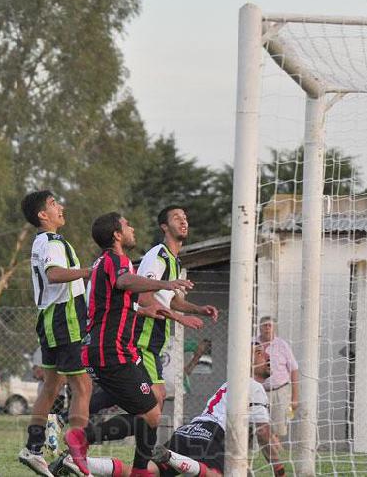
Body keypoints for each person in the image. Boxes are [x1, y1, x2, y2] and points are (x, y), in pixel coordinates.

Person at [67, 212, 194, 477]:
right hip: (110, 350)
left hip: (117, 350)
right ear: (116, 234)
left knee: (150, 409)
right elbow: (125, 282)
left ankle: (139, 470)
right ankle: (83, 438)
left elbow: (115, 301)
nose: (132, 228)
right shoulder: (117, 260)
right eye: (127, 225)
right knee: (150, 413)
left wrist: (146, 310)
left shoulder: (105, 262)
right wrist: (164, 283)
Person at [52, 343, 287, 477]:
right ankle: (171, 457)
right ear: (245, 361)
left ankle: (76, 462)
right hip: (211, 435)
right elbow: (264, 433)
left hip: (189, 431)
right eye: (259, 352)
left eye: (267, 354)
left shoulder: (232, 383)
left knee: (149, 471)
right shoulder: (254, 386)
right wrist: (279, 470)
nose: (267, 356)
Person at [18, 191, 95, 477]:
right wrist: (88, 271)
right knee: (83, 387)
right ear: (42, 214)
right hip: (65, 316)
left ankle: (33, 448)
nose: (61, 207)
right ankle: (75, 454)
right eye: (54, 204)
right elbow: (53, 274)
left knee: (51, 387)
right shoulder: (50, 242)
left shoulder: (45, 241)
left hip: (51, 317)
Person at [132, 206, 219, 409]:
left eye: (185, 218)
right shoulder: (158, 256)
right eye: (177, 218)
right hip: (143, 336)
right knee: (154, 401)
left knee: (153, 401)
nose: (183, 222)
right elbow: (144, 296)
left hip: (155, 338)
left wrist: (198, 309)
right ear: (164, 226)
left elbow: (170, 299)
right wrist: (179, 318)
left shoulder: (174, 261)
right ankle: (85, 429)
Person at [256, 316, 300, 443]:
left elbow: (294, 369)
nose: (267, 328)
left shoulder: (282, 345)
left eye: (270, 325)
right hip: (260, 391)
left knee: (279, 427)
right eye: (265, 325)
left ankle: (275, 453)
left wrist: (295, 398)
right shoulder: (253, 344)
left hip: (280, 391)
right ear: (259, 327)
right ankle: (263, 450)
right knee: (261, 425)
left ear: (274, 327)